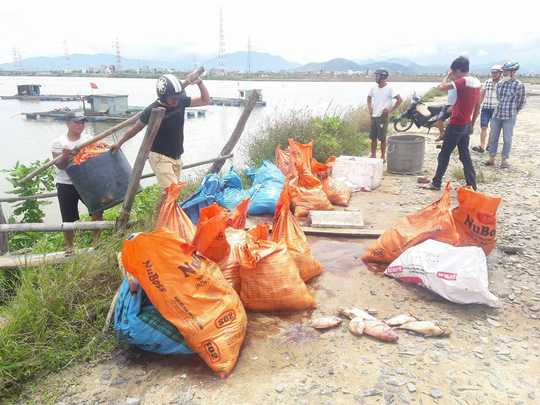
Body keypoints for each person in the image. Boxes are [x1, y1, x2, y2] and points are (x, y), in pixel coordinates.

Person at [110, 73, 210, 218]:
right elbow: (135, 129)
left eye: (178, 98)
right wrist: (120, 143)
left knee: (169, 191)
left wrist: (200, 83)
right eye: (173, 98)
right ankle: (161, 219)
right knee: (172, 190)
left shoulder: (180, 101)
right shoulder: (152, 110)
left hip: (176, 157)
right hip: (159, 156)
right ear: (163, 96)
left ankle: (159, 217)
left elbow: (205, 100)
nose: (176, 101)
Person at [421, 56, 481, 191]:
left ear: (458, 71)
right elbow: (477, 106)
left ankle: (436, 183)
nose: (453, 75)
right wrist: (472, 123)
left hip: (456, 124)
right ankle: (472, 185)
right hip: (466, 124)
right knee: (464, 155)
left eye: (453, 73)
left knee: (444, 154)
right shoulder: (476, 82)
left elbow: (442, 87)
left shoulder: (462, 81)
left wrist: (447, 75)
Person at [51, 111, 103, 252]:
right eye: (77, 122)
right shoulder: (59, 143)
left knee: (97, 211)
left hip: (87, 181)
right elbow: (60, 166)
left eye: (83, 122)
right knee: (68, 218)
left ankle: (96, 243)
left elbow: (97, 158)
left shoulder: (89, 139)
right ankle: (69, 247)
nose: (81, 125)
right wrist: (65, 156)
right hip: (66, 184)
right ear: (68, 123)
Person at [484, 61, 526, 169]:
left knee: (507, 139)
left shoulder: (519, 85)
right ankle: (491, 158)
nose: (505, 73)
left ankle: (504, 160)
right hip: (497, 115)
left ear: (513, 72)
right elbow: (499, 98)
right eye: (504, 71)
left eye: (507, 71)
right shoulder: (500, 84)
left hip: (509, 116)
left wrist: (514, 111)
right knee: (493, 137)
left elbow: (521, 101)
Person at [367, 68, 403, 162]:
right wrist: (370, 108)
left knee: (382, 138)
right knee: (373, 137)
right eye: (375, 76)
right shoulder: (374, 88)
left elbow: (399, 100)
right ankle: (373, 155)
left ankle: (382, 157)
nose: (375, 78)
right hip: (374, 116)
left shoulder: (390, 88)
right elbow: (369, 97)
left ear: (383, 77)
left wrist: (390, 110)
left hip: (382, 116)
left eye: (377, 76)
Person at [472, 64, 503, 153]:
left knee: (493, 128)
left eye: (496, 72)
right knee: (483, 127)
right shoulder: (487, 82)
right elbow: (482, 94)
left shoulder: (502, 83)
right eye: (493, 72)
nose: (494, 74)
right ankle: (482, 146)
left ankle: (489, 145)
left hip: (496, 108)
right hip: (486, 107)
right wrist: (478, 106)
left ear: (500, 73)